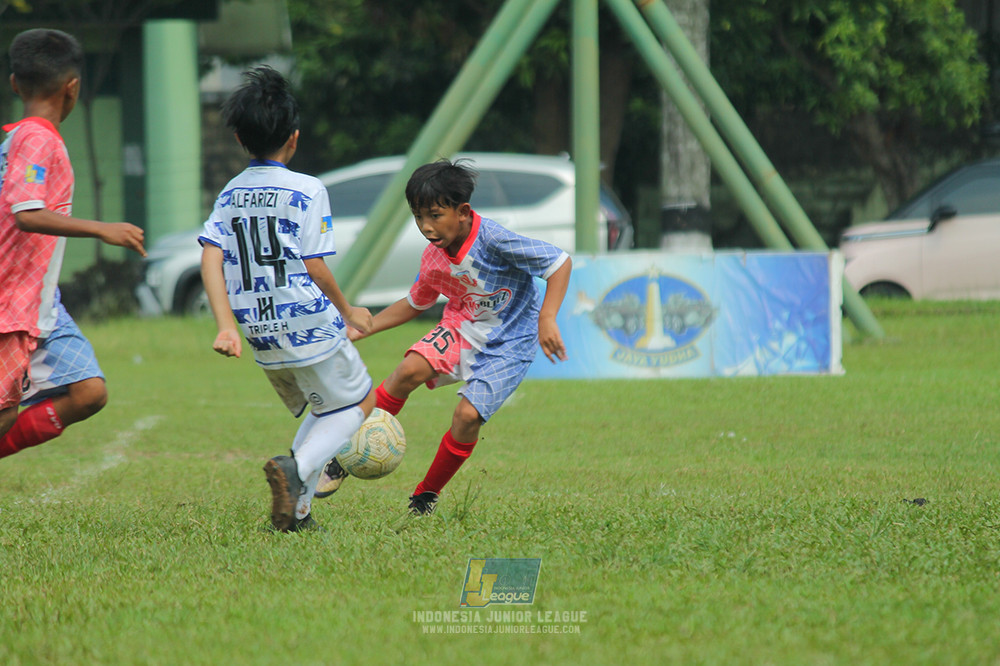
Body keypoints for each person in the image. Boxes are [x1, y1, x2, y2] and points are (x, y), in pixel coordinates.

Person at [322, 158, 572, 515]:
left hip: (512, 341)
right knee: (406, 372)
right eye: (418, 217)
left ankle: (425, 496)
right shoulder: (434, 257)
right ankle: (342, 459)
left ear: (463, 211)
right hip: (462, 326)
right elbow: (415, 302)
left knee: (467, 417)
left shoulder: (495, 240)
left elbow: (559, 262)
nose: (426, 227)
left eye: (435, 215)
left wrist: (547, 318)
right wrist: (368, 326)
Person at [199, 66, 375, 533]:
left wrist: (225, 325)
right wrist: (348, 309)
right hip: (308, 323)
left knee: (323, 409)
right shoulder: (308, 188)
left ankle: (297, 515)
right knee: (360, 402)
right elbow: (315, 264)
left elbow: (210, 259)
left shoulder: (229, 194)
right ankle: (296, 470)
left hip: (260, 333)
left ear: (239, 138)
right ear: (294, 138)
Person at [0, 29, 146, 460]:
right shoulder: (36, 139)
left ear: (14, 83)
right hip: (15, 305)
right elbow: (26, 212)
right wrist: (103, 229)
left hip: (41, 301)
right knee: (5, 412)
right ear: (73, 88)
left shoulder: (18, 139)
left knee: (88, 392)